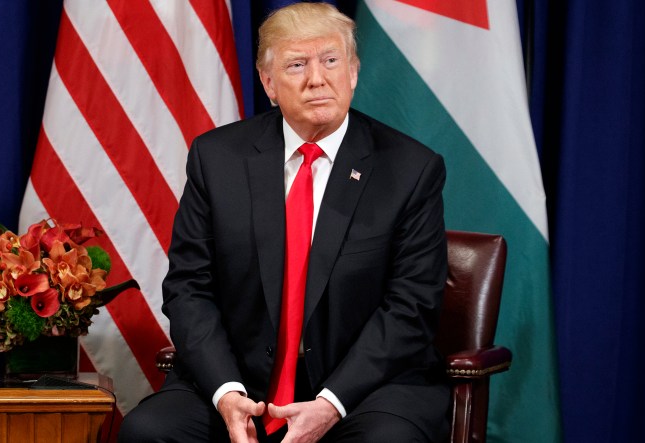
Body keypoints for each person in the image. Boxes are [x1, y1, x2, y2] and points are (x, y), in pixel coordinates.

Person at [119, 3, 449, 442]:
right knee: (149, 431)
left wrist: (331, 403)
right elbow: (188, 289)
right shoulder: (217, 159)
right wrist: (225, 391)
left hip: (364, 393)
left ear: (352, 71)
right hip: (242, 386)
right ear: (269, 83)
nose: (317, 79)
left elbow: (412, 307)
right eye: (297, 65)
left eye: (331, 60)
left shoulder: (410, 170)